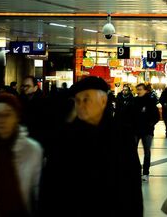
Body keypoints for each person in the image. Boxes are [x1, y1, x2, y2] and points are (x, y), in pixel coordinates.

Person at [40, 76, 143, 216]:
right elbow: (51, 184)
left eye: (86, 99)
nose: (81, 105)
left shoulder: (120, 136)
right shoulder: (66, 137)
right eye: (77, 101)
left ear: (103, 101)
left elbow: (132, 185)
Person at [0, 93, 43, 217]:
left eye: (7, 114)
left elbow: (37, 192)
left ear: (16, 116)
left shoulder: (32, 150)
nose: (2, 120)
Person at [132, 83, 159, 182]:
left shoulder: (151, 102)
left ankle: (146, 172)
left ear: (145, 90)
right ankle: (136, 171)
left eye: (140, 89)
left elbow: (156, 116)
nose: (138, 91)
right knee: (132, 151)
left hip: (147, 131)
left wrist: (150, 124)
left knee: (147, 152)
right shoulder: (134, 101)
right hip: (135, 130)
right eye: (137, 89)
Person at [19, 76, 49, 148]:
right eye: (23, 86)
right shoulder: (21, 100)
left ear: (35, 88)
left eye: (28, 86)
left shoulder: (43, 103)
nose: (24, 88)